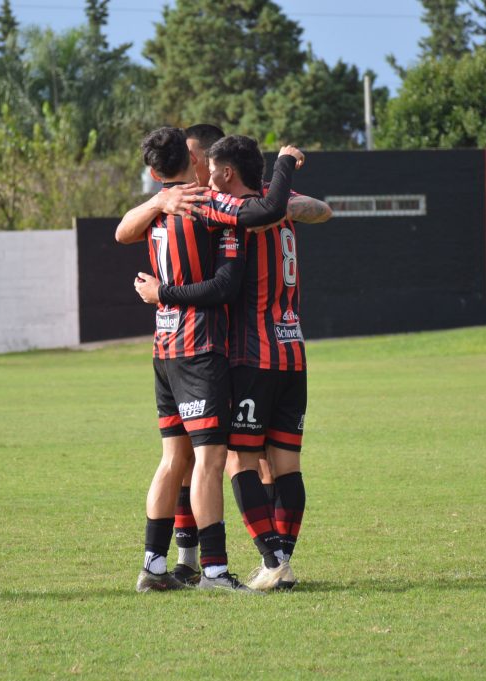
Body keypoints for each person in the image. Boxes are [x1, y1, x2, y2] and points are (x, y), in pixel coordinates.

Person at [134, 134, 332, 591]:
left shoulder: (226, 209)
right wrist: (285, 190)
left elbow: (125, 232)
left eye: (210, 166)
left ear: (222, 171)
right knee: (283, 464)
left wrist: (161, 292)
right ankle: (273, 563)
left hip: (246, 352)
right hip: (291, 349)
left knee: (233, 460)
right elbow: (322, 210)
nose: (204, 174)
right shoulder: (276, 203)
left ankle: (255, 563)